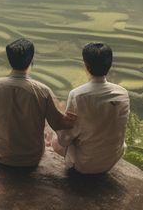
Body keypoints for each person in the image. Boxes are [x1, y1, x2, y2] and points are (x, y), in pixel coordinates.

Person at [0, 38, 76, 167]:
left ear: (9, 60)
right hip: (32, 157)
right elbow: (57, 123)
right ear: (31, 60)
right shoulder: (43, 91)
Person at [52, 42, 130, 174]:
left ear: (86, 66)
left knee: (55, 141)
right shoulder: (123, 93)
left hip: (85, 165)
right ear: (109, 65)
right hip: (113, 159)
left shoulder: (77, 95)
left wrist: (59, 125)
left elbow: (65, 140)